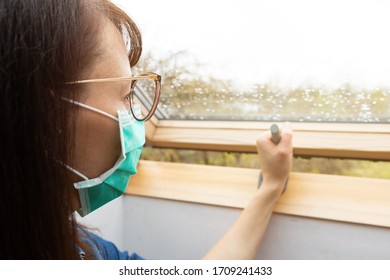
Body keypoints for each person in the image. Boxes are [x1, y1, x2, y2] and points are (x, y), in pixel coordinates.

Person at [0, 0, 293, 259]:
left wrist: (268, 189)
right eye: (126, 94)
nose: (137, 117)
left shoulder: (79, 247)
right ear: (48, 115)